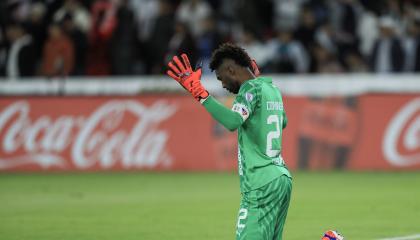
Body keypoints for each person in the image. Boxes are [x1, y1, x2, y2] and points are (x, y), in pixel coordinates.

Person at [166, 43, 292, 240]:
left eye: (221, 78)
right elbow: (282, 121)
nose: (223, 85)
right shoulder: (270, 88)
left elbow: (233, 121)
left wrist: (199, 92)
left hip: (260, 182)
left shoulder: (249, 89)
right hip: (281, 178)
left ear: (231, 70)